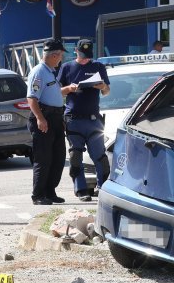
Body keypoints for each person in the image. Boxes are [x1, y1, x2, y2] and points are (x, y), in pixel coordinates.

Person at [58, 39, 111, 202]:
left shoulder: (98, 67)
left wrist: (102, 87)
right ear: (76, 51)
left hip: (94, 120)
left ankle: (103, 188)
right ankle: (81, 190)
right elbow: (58, 92)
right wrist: (70, 88)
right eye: (82, 56)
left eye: (88, 57)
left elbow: (107, 91)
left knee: (99, 156)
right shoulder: (67, 67)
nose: (85, 59)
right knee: (75, 156)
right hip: (73, 119)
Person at [26, 39, 70, 205]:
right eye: (60, 56)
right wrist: (40, 118)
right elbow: (32, 98)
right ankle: (38, 195)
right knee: (43, 159)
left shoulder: (50, 71)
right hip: (44, 118)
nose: (61, 59)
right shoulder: (39, 72)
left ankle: (50, 192)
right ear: (53, 55)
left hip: (55, 118)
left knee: (58, 158)